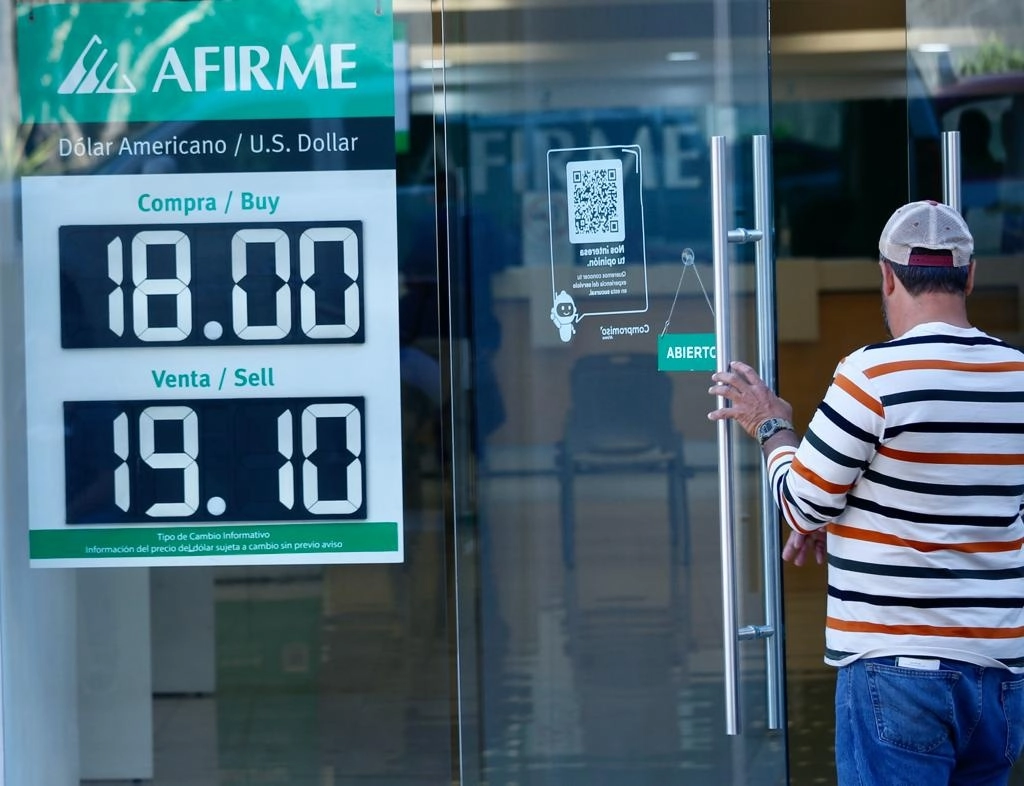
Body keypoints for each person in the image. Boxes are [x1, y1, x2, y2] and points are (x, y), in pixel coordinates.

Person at [707, 199, 1024, 786]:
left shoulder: (872, 376)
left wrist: (771, 427)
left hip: (896, 674)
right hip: (1000, 676)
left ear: (886, 275)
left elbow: (801, 503)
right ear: (970, 275)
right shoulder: (1017, 375)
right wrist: (846, 516)